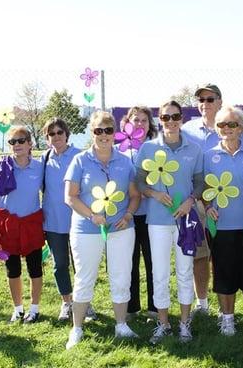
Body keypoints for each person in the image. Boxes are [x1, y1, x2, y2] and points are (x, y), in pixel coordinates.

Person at [64, 111, 141, 349]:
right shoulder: (80, 160)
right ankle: (77, 328)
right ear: (92, 133)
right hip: (87, 229)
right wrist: (92, 216)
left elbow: (135, 196)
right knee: (85, 278)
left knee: (121, 276)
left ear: (114, 133)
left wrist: (128, 214)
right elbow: (70, 197)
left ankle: (121, 325)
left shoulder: (125, 161)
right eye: (99, 130)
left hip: (120, 228)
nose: (104, 135)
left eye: (108, 130)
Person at [181, 83, 243, 316]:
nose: (205, 104)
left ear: (220, 101)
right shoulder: (187, 129)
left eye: (210, 99)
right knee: (200, 256)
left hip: (232, 207)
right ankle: (202, 305)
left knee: (233, 257)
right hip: (196, 202)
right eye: (200, 99)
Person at [135, 100, 203, 344]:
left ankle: (185, 324)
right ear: (159, 120)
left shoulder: (194, 149)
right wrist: (153, 193)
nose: (171, 122)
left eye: (175, 117)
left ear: (181, 118)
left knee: (185, 271)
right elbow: (140, 182)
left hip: (185, 220)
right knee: (160, 272)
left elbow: (200, 182)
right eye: (166, 118)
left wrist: (190, 201)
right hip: (158, 221)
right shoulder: (148, 149)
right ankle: (163, 323)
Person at [203, 105, 243, 336]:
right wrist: (208, 206)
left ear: (241, 128)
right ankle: (227, 319)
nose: (227, 129)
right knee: (224, 272)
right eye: (221, 124)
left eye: (232, 124)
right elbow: (204, 188)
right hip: (221, 226)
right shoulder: (208, 156)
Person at [0, 126, 45, 324]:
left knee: (35, 268)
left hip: (31, 223)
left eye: (21, 141)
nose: (17, 145)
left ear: (30, 144)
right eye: (12, 142)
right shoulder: (2, 165)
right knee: (13, 269)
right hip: (8, 224)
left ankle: (34, 309)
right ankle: (18, 309)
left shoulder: (39, 167)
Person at [40, 118, 98, 322]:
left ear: (66, 134)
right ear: (47, 138)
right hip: (53, 222)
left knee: (81, 265)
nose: (56, 137)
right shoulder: (44, 159)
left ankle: (85, 303)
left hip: (78, 221)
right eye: (51, 134)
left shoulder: (80, 157)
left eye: (59, 132)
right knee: (60, 264)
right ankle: (67, 302)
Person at [119, 106, 159, 319]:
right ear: (127, 123)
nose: (140, 124)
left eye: (144, 120)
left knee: (153, 261)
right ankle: (132, 307)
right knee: (129, 262)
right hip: (128, 214)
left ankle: (154, 306)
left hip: (151, 214)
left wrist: (147, 191)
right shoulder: (120, 151)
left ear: (149, 124)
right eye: (136, 120)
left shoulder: (155, 149)